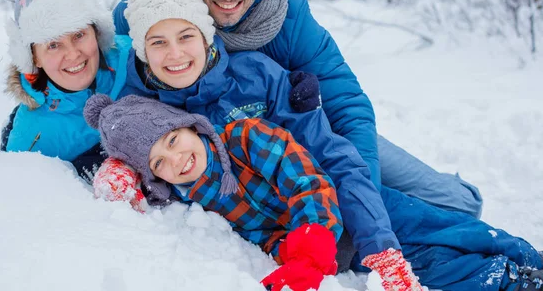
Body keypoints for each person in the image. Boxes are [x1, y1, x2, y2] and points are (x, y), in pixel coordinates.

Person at [112, 0, 483, 218]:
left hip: (307, 126)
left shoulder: (286, 12)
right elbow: (111, 83)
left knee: (452, 203)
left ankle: (453, 202)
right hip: (239, 147)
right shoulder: (152, 5)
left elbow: (344, 98)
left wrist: (362, 188)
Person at [84, 94, 543, 291]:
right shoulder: (193, 198)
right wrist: (289, 253)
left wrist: (309, 244)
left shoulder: (242, 136)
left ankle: (523, 255)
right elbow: (260, 233)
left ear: (186, 125)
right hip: (337, 251)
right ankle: (507, 281)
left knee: (450, 228)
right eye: (159, 164)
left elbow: (304, 179)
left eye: (171, 141)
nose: (176, 159)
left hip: (356, 209)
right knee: (430, 266)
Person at [0, 0, 132, 181]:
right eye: (53, 45)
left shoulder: (135, 60)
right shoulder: (31, 138)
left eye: (79, 35)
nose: (72, 54)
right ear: (34, 58)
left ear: (96, 33)